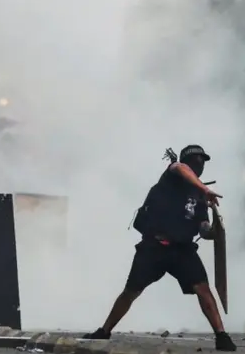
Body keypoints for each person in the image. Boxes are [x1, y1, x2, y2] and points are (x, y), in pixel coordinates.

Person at [84, 145, 237, 352]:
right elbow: (181, 168)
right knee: (131, 291)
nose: (199, 164)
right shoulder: (173, 175)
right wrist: (204, 188)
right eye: (196, 160)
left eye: (202, 161)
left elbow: (202, 226)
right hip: (154, 247)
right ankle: (104, 330)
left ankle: (221, 336)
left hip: (182, 250)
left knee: (203, 288)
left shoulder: (200, 195)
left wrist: (213, 231)